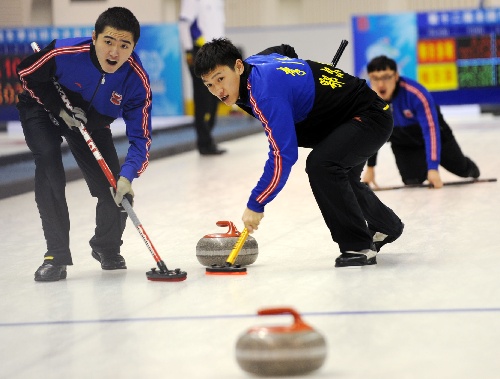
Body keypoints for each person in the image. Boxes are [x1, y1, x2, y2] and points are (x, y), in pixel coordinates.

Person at [194, 38, 404, 267]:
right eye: (209, 85)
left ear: (238, 66)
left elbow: (283, 154)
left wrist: (257, 202)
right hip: (344, 119)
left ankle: (359, 246)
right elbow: (284, 50)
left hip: (369, 117)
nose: (218, 90)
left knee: (323, 166)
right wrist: (300, 78)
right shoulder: (257, 62)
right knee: (340, 176)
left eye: (221, 79)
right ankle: (386, 226)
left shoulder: (265, 94)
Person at [16, 7, 152, 281]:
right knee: (49, 161)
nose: (114, 52)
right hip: (43, 107)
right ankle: (56, 255)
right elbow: (27, 72)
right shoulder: (64, 53)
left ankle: (106, 246)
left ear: (134, 47)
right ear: (94, 37)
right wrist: (58, 108)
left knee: (114, 188)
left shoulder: (136, 81)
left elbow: (141, 139)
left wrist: (128, 176)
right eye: (108, 41)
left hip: (91, 120)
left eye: (124, 45)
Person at [363, 55, 480, 188]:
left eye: (386, 77)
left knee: (462, 169)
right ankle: (420, 164)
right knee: (412, 180)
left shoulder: (416, 94)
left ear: (396, 76)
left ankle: (468, 167)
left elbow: (431, 130)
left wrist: (433, 168)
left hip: (436, 136)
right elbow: (372, 133)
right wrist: (370, 168)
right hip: (402, 141)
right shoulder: (367, 96)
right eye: (375, 78)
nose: (380, 84)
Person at [179, 0, 227, 155]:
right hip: (199, 51)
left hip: (217, 53)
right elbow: (184, 24)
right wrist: (188, 50)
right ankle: (204, 143)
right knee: (202, 100)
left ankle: (207, 139)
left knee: (216, 98)